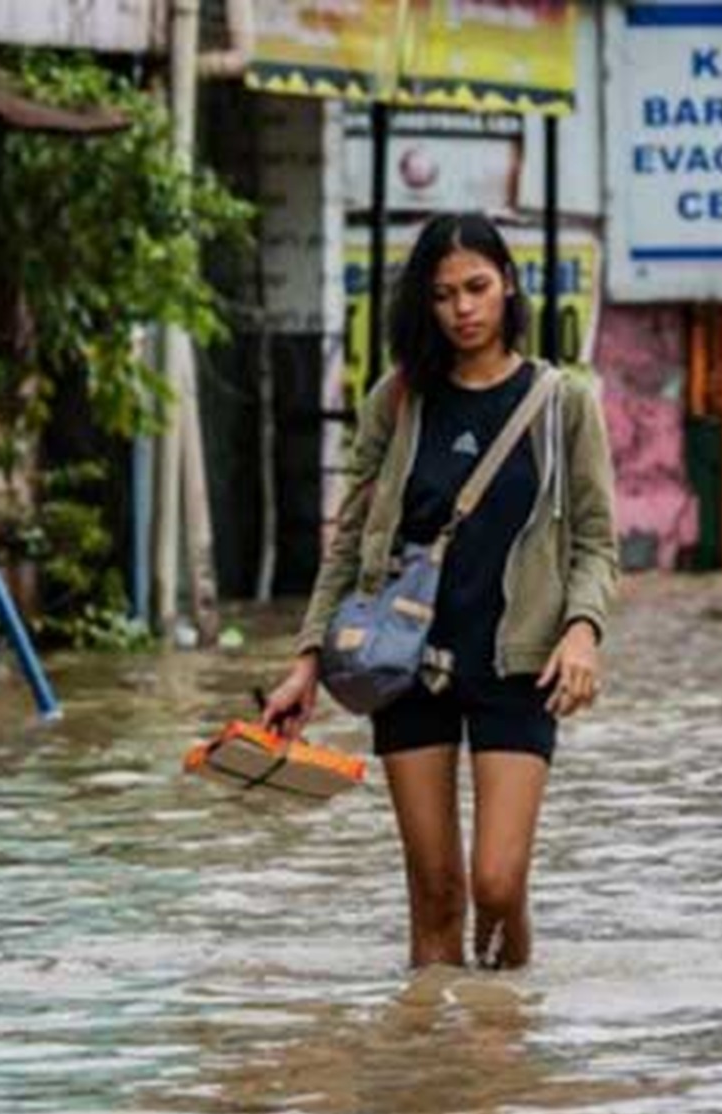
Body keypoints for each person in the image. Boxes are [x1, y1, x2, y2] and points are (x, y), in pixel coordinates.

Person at [263, 212, 620, 972]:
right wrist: (305, 660)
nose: (462, 308)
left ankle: (502, 1039)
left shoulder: (563, 404)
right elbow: (351, 542)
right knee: (433, 890)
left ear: (509, 285)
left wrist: (583, 628)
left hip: (516, 665)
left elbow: (594, 540)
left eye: (477, 288)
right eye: (443, 295)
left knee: (496, 883)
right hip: (405, 665)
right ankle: (433, 1072)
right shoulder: (397, 402)